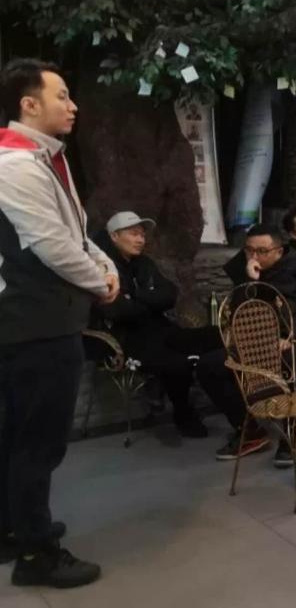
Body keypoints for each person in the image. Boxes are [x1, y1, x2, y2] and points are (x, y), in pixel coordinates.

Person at [0, 58, 118, 588]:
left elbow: (74, 233)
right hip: (37, 325)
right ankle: (37, 555)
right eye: (62, 96)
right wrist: (99, 281)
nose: (73, 106)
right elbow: (51, 245)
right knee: (38, 444)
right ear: (29, 105)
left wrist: (106, 265)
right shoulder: (16, 164)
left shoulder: (39, 159)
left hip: (37, 321)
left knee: (17, 436)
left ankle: (13, 529)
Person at [196, 224, 296, 467]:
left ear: (279, 251)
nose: (254, 256)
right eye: (249, 250)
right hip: (255, 342)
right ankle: (249, 431)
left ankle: (290, 435)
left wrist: (291, 334)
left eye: (262, 251)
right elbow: (238, 311)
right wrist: (250, 280)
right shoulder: (245, 266)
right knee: (209, 366)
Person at [90, 211, 207, 437]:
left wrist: (134, 295)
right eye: (134, 234)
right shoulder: (102, 268)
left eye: (142, 235)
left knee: (213, 337)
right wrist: (150, 300)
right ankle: (183, 413)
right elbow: (118, 311)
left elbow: (170, 295)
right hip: (123, 338)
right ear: (114, 236)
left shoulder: (144, 263)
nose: (140, 240)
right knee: (177, 363)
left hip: (157, 327)